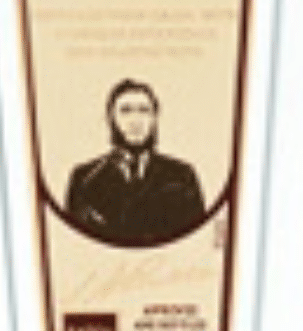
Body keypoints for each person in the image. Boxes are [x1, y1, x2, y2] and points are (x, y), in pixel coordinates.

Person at [65, 79, 206, 246]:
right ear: (109, 118)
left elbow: (198, 242)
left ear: (155, 118)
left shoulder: (183, 175)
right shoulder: (84, 179)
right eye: (125, 111)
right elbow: (74, 245)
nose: (135, 120)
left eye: (144, 110)